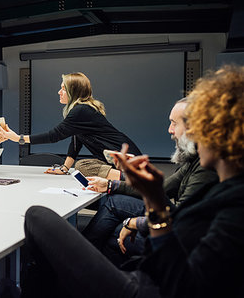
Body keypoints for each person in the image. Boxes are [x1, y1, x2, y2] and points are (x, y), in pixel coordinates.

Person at [21, 64, 244, 298]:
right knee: (99, 237)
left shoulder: (234, 207)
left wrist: (144, 214)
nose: (170, 131)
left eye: (176, 124)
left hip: (146, 288)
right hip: (146, 274)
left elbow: (179, 281)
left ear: (217, 133)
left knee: (37, 216)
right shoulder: (212, 178)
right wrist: (151, 196)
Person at [81, 98, 218, 266]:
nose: (170, 130)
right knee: (115, 207)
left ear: (195, 127)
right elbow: (166, 188)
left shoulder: (206, 166)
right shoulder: (196, 158)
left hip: (185, 245)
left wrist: (134, 222)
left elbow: (180, 219)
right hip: (180, 228)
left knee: (115, 229)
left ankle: (80, 259)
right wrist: (111, 185)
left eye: (174, 124)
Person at [0, 72, 141, 179]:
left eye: (63, 89)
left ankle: (129, 179)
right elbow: (77, 141)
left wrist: (18, 138)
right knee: (82, 166)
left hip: (125, 159)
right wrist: (65, 168)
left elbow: (53, 136)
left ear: (74, 92)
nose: (59, 92)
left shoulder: (81, 110)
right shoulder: (82, 109)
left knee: (82, 166)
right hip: (118, 158)